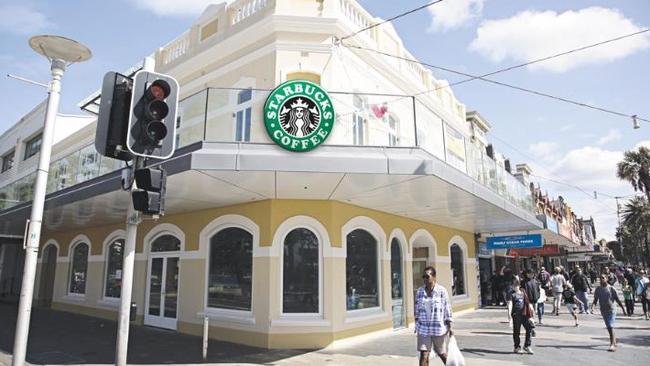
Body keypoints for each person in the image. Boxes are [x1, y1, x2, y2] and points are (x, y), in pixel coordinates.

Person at [415, 266, 453, 366]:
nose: (425, 279)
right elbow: (417, 309)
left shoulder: (442, 291)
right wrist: (416, 324)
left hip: (437, 328)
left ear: (434, 277)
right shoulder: (419, 291)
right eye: (423, 276)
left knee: (442, 354)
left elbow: (447, 308)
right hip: (423, 328)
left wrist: (450, 327)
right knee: (424, 355)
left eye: (427, 276)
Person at [591, 274, 627, 352]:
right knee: (609, 327)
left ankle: (612, 345)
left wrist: (623, 309)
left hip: (612, 310)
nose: (601, 280)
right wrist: (592, 308)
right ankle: (614, 340)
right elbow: (595, 300)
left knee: (610, 326)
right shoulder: (598, 289)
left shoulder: (611, 288)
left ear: (607, 279)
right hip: (603, 310)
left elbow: (617, 299)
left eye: (603, 278)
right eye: (600, 278)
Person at [509, 277, 534, 354]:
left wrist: (531, 313)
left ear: (519, 286)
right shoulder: (512, 295)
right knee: (517, 331)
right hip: (516, 315)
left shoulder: (523, 293)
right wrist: (509, 317)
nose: (514, 287)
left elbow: (528, 303)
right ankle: (517, 347)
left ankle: (527, 346)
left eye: (516, 285)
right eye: (513, 286)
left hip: (524, 314)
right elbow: (510, 304)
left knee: (529, 328)